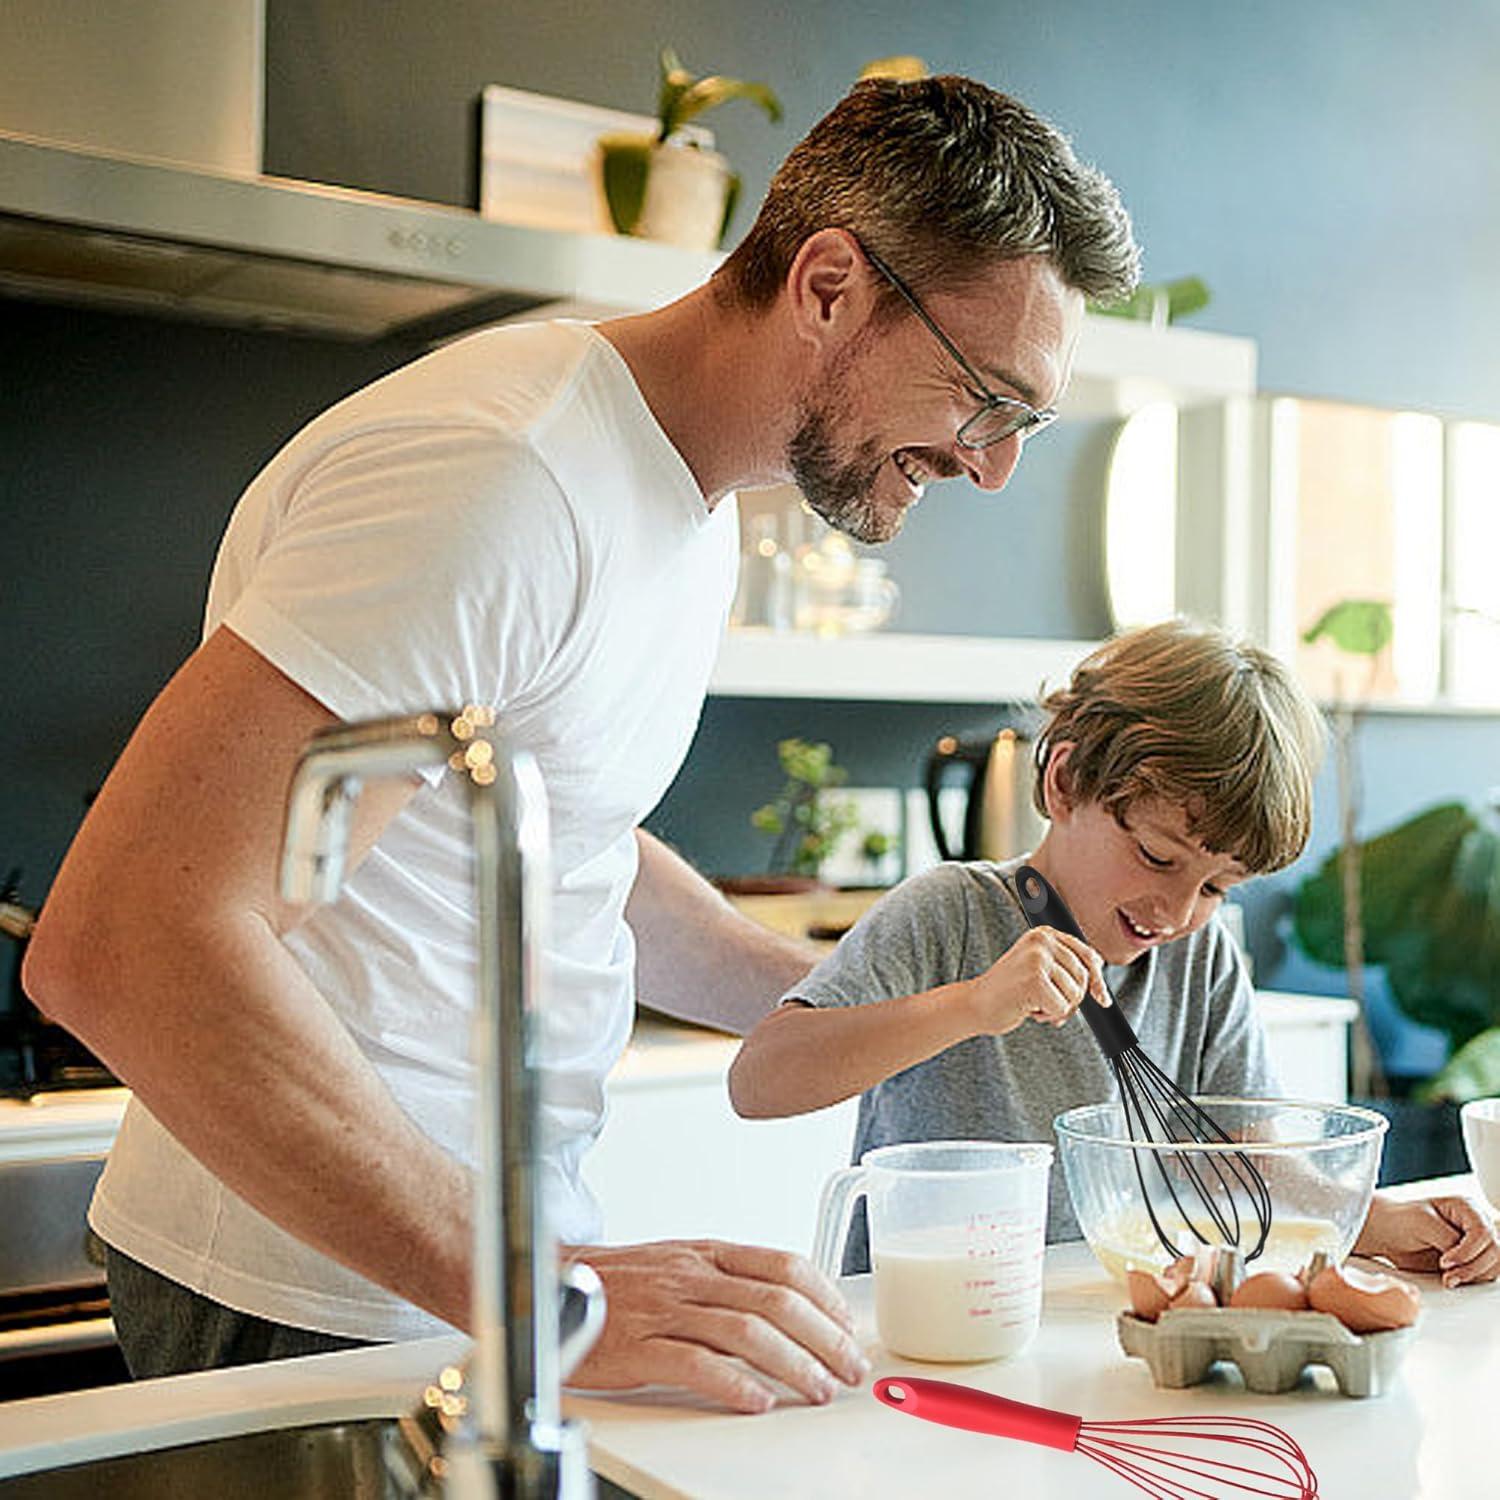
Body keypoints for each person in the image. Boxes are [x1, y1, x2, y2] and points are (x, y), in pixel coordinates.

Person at [22, 75, 1142, 1414]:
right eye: (984, 398)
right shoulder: (499, 476)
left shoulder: (688, 499)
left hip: (454, 1276)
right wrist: (542, 1291)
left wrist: (871, 1002)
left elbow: (567, 844)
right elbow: (129, 941)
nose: (994, 466)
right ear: (830, 287)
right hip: (303, 1292)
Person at [729, 620, 1500, 1286]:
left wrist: (1372, 1218)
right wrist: (971, 1005)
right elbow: (761, 1079)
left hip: (1102, 1324)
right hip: (929, 1323)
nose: (1177, 912)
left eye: (1217, 888)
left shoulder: (1200, 960)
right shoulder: (950, 914)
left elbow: (1248, 1162)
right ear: (1064, 782)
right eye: (1158, 858)